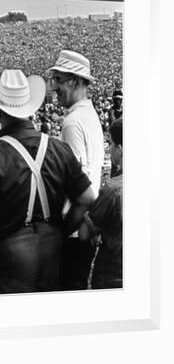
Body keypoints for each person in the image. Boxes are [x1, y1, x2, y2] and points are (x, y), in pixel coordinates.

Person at [0, 69, 96, 295]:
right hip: (51, 255)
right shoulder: (58, 148)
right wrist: (64, 229)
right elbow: (88, 197)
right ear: (30, 108)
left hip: (6, 262)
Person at [48, 50, 105, 290]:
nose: (55, 87)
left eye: (59, 80)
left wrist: (63, 229)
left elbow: (77, 183)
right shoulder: (89, 115)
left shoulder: (72, 122)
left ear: (75, 81)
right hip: (87, 223)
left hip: (75, 227)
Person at [81, 119, 123, 289]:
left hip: (112, 274)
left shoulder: (112, 190)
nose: (109, 148)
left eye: (111, 144)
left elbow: (84, 233)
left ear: (120, 149)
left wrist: (85, 210)